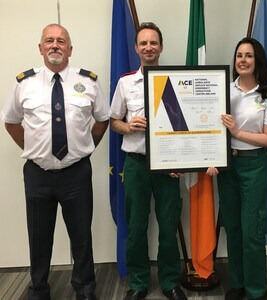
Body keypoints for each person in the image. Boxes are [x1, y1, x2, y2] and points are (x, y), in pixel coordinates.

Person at [2, 24, 109, 300]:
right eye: (49, 40)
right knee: (39, 236)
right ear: (40, 48)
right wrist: (34, 148)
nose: (55, 45)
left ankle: (85, 289)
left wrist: (85, 148)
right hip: (38, 174)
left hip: (76, 173)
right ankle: (38, 289)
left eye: (61, 41)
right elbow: (11, 121)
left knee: (81, 237)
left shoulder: (88, 82)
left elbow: (103, 119)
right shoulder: (24, 83)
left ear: (70, 49)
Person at [110, 22, 187, 300]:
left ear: (161, 47)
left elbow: (181, 126)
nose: (148, 47)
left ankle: (169, 282)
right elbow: (113, 121)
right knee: (137, 225)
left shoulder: (175, 81)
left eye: (153, 43)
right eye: (143, 43)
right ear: (136, 48)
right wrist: (128, 126)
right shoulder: (125, 82)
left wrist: (180, 160)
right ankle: (139, 282)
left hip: (167, 166)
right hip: (136, 163)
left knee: (168, 225)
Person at [207, 37, 267, 300]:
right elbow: (212, 130)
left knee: (252, 229)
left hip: (254, 165)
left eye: (249, 55)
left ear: (257, 60)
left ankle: (256, 289)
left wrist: (237, 131)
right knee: (234, 226)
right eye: (239, 55)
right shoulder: (223, 90)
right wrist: (212, 156)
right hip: (227, 166)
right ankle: (238, 285)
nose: (243, 60)